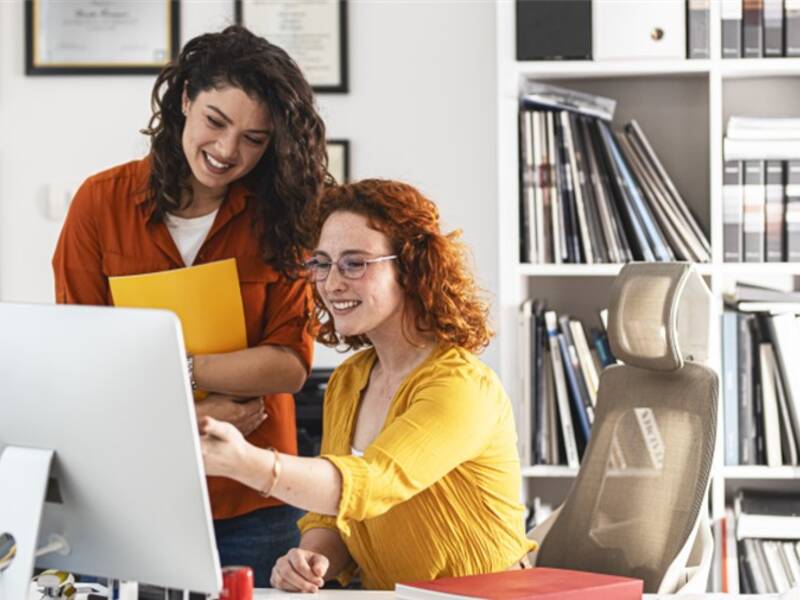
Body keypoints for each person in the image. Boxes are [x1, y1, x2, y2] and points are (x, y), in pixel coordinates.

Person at [51, 26, 328, 586]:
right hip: (131, 498)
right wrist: (199, 418)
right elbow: (79, 363)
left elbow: (288, 364)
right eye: (216, 122)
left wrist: (180, 370)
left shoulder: (282, 217)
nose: (228, 152)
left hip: (256, 501)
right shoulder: (100, 204)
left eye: (254, 139)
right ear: (184, 102)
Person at [200, 179, 535, 591]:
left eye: (354, 263)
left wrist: (244, 462)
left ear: (410, 270)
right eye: (322, 263)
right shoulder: (349, 380)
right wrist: (314, 557)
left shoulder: (462, 387)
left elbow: (374, 482)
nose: (331, 282)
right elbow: (337, 518)